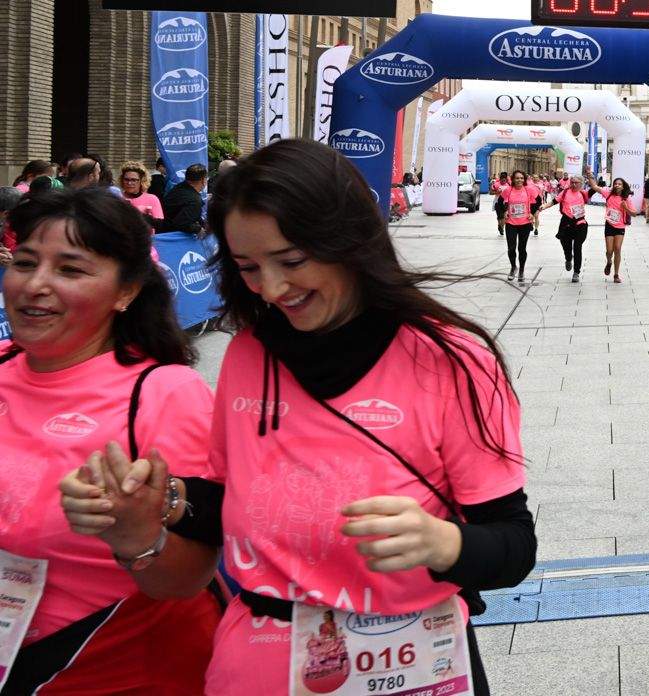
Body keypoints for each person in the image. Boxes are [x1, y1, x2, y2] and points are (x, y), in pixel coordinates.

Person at [60, 140, 534, 696]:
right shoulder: (247, 354)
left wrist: (444, 543)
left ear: (347, 240)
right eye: (248, 268)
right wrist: (162, 501)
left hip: (413, 659)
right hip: (257, 657)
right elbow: (226, 505)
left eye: (291, 261)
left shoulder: (451, 360)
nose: (273, 288)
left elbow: (513, 545)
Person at [3, 188, 219, 692]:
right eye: (25, 262)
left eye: (71, 270)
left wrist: (136, 534)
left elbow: (187, 581)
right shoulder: (3, 363)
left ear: (126, 291)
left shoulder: (164, 392)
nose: (36, 285)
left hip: (106, 668)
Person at [540, 174, 591, 283]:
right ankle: (568, 258)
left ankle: (576, 272)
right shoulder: (565, 192)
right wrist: (544, 206)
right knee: (566, 245)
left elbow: (595, 188)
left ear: (581, 184)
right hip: (566, 222)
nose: (573, 184)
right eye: (572, 182)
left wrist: (591, 176)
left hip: (580, 222)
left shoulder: (583, 193)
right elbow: (554, 202)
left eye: (576, 182)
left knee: (577, 247)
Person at [498, 170, 541, 283]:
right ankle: (513, 267)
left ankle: (521, 269)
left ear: (524, 179)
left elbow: (538, 201)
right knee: (511, 248)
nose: (519, 180)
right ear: (512, 179)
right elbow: (499, 202)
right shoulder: (508, 190)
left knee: (522, 248)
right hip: (511, 223)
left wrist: (532, 212)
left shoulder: (529, 189)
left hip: (525, 224)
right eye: (517, 178)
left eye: (522, 178)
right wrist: (505, 211)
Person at [595, 177, 635, 283]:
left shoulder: (626, 198)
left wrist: (625, 208)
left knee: (617, 249)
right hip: (609, 225)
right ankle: (609, 262)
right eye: (615, 183)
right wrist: (590, 175)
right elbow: (595, 187)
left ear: (623, 187)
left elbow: (634, 214)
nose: (617, 185)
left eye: (619, 184)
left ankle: (616, 275)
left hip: (620, 226)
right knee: (609, 251)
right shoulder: (608, 194)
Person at [161, 164, 208, 236]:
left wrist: (202, 224)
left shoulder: (178, 188)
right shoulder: (194, 200)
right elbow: (182, 223)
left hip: (160, 233)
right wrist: (199, 229)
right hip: (172, 237)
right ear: (203, 180)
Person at [118, 161, 166, 225]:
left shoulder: (152, 199)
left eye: (134, 180)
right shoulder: (117, 197)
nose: (129, 183)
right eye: (126, 179)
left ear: (142, 181)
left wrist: (143, 216)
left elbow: (159, 225)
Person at [491, 171, 510, 237]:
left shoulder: (508, 185)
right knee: (499, 216)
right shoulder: (496, 184)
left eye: (505, 180)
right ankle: (500, 225)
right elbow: (491, 192)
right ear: (500, 179)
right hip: (497, 202)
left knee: (505, 216)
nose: (503, 181)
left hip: (506, 202)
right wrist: (496, 192)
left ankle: (502, 228)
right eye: (502, 180)